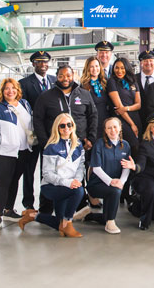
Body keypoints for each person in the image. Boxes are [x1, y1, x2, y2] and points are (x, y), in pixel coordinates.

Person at [32, 64, 98, 217]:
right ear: (57, 76)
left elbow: (93, 116)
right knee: (50, 175)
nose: (65, 79)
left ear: (73, 75)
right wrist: (45, 142)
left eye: (68, 75)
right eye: (61, 76)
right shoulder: (46, 96)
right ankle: (46, 208)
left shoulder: (84, 94)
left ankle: (80, 207)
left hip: (78, 144)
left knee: (77, 173)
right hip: (54, 145)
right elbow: (38, 119)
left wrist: (91, 138)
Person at [18, 113, 86, 237]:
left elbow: (81, 166)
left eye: (69, 125)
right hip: (52, 186)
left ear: (73, 126)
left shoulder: (78, 145)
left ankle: (33, 215)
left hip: (69, 185)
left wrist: (76, 180)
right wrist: (68, 183)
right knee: (79, 191)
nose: (66, 128)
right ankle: (68, 222)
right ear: (57, 128)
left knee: (59, 225)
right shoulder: (51, 146)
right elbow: (47, 174)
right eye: (62, 126)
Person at [0, 78, 35, 231]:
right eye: (7, 89)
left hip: (23, 150)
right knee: (2, 182)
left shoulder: (24, 104)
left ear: (18, 90)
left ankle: (8, 210)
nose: (10, 91)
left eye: (13, 88)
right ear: (2, 91)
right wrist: (3, 140)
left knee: (14, 180)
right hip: (3, 152)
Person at [18, 50, 56, 210]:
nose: (43, 65)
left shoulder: (55, 80)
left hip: (51, 133)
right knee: (29, 169)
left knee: (47, 169)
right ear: (33, 64)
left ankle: (46, 203)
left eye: (45, 62)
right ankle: (28, 203)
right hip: (32, 133)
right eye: (39, 62)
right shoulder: (25, 83)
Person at [81, 117, 133, 234]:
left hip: (115, 184)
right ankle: (110, 222)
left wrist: (121, 182)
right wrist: (111, 181)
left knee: (115, 190)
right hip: (97, 184)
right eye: (109, 128)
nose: (112, 130)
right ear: (105, 130)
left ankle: (91, 216)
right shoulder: (99, 144)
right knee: (115, 191)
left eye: (115, 127)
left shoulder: (125, 145)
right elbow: (96, 168)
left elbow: (126, 167)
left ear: (120, 128)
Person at [106, 57, 142, 153]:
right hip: (122, 120)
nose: (119, 71)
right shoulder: (111, 82)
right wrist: (132, 124)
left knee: (139, 146)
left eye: (122, 68)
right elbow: (119, 107)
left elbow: (138, 104)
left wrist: (127, 108)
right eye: (116, 68)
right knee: (131, 146)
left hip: (135, 117)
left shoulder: (133, 82)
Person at [81, 56, 109, 134]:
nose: (95, 69)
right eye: (91, 67)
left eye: (97, 66)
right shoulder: (83, 86)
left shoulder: (105, 82)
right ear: (87, 69)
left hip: (106, 120)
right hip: (92, 123)